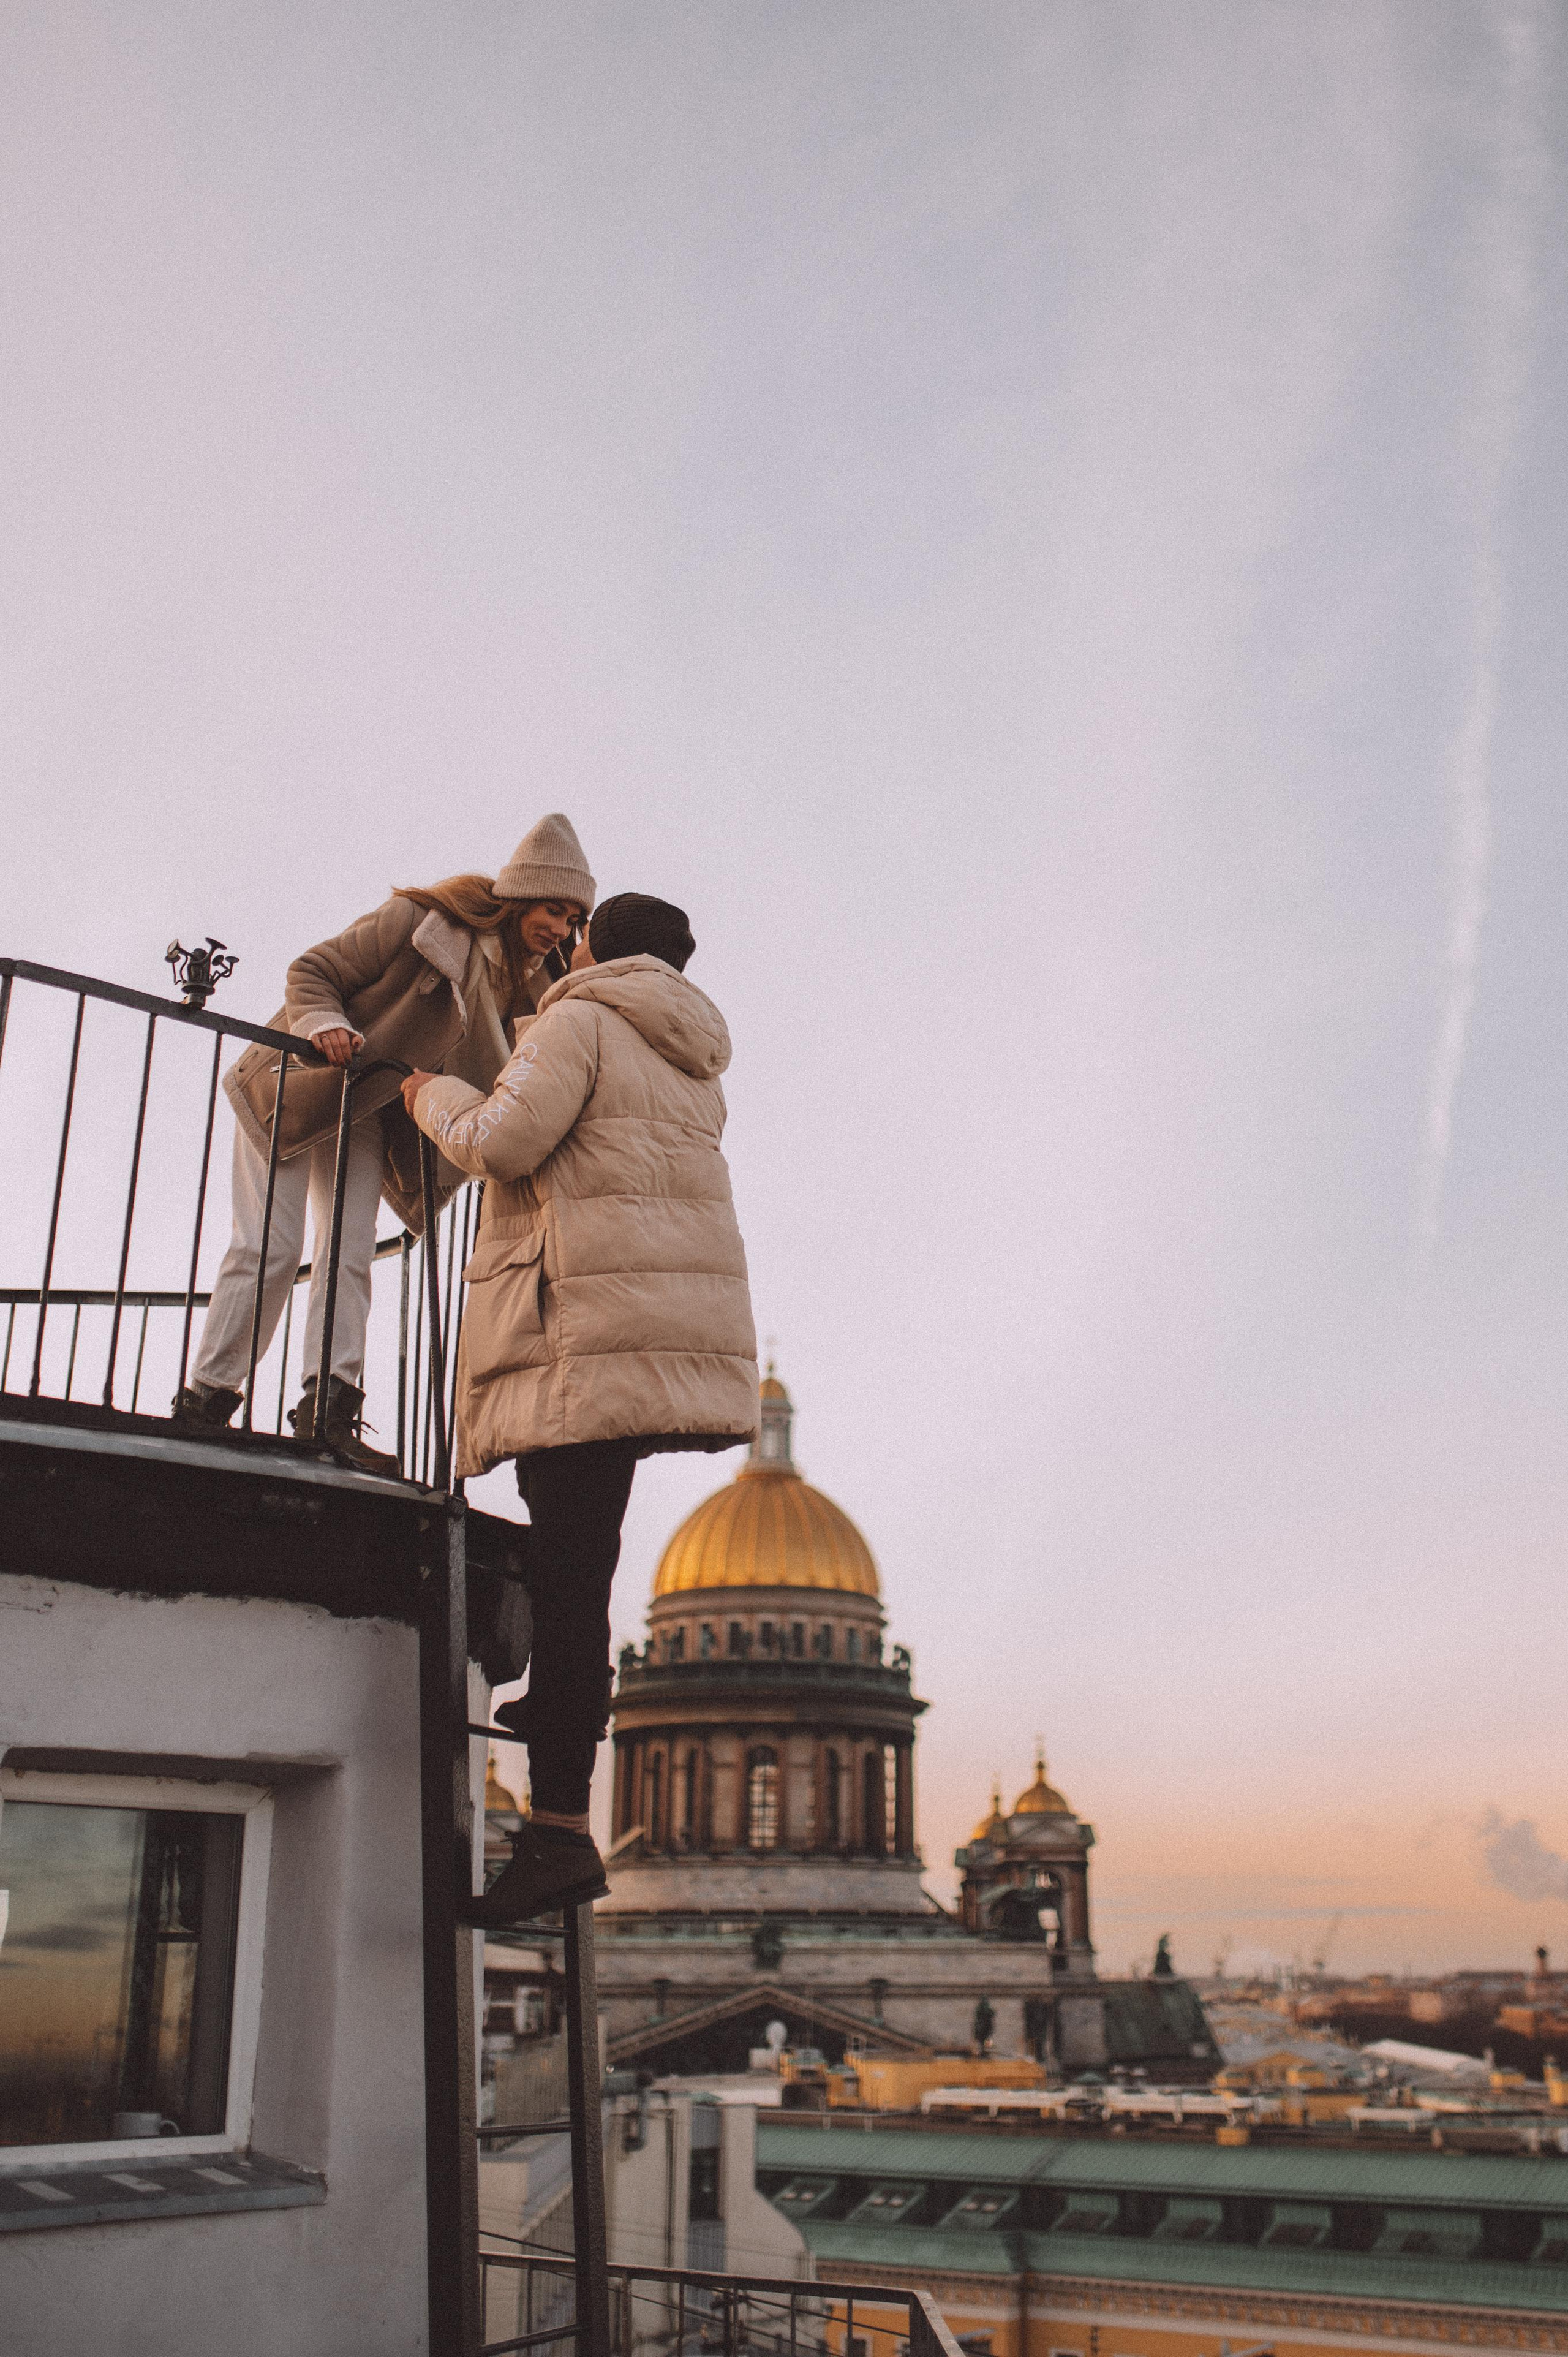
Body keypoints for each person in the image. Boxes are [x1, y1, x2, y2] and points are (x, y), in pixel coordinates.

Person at [401, 891, 758, 1920]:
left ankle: (558, 1826)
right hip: (652, 1330)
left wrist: (429, 1091)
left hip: (580, 1330)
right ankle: (563, 1713)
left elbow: (503, 1142)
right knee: (581, 1558)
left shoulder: (583, 1019)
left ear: (599, 947)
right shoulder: (693, 1055)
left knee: (568, 1573)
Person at [173, 814, 596, 1471]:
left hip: (365, 1106)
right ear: (520, 896)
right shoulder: (423, 923)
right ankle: (206, 1399)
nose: (561, 930)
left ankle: (328, 1410)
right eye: (553, 910)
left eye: (573, 920)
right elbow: (314, 969)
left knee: (348, 1251)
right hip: (295, 1083)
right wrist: (324, 1023)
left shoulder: (536, 991)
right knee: (272, 1247)